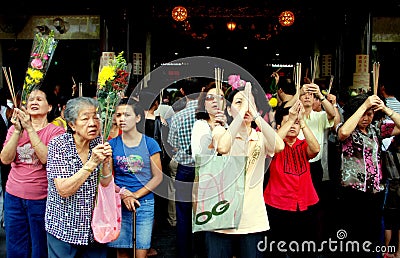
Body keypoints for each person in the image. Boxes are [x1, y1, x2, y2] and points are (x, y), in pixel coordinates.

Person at [207, 82, 284, 257]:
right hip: (221, 217)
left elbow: (279, 146)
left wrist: (255, 115)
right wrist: (240, 114)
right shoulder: (219, 131)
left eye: (249, 102)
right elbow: (224, 147)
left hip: (252, 219)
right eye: (238, 102)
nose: (246, 107)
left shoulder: (260, 137)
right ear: (228, 109)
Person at [0, 89, 65, 258]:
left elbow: (47, 159)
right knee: (15, 246)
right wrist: (16, 131)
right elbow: (5, 159)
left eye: (39, 99)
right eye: (30, 100)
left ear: (49, 107)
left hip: (41, 197)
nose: (33, 102)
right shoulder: (14, 129)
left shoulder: (56, 132)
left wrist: (29, 129)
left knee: (40, 247)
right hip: (13, 196)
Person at [45, 97, 113, 258]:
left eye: (96, 117)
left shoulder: (99, 142)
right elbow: (63, 190)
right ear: (72, 124)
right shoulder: (59, 145)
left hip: (95, 228)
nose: (93, 123)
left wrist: (105, 164)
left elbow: (106, 183)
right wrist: (92, 163)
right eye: (85, 118)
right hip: (64, 227)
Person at [336, 93, 400, 257]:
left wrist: (385, 109)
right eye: (363, 113)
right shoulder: (347, 127)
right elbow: (342, 133)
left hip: (375, 190)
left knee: (372, 233)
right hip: (353, 191)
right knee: (353, 233)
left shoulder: (376, 129)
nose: (366, 118)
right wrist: (364, 105)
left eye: (370, 114)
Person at [107, 99, 163, 258]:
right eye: (118, 115)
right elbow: (108, 178)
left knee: (141, 250)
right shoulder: (111, 145)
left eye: (126, 115)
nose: (121, 119)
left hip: (144, 202)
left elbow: (158, 177)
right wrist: (123, 195)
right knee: (122, 251)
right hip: (119, 202)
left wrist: (135, 195)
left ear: (138, 118)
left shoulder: (150, 143)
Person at [264, 100, 320, 257]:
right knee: (276, 251)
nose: (294, 125)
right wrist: (291, 118)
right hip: (277, 205)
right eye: (290, 122)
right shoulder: (275, 144)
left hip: (305, 204)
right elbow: (272, 145)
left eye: (296, 123)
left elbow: (315, 149)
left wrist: (301, 121)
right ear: (281, 126)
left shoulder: (303, 145)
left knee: (304, 251)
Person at [167, 79, 200, 258]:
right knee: (204, 211)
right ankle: (204, 250)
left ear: (181, 91)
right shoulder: (208, 114)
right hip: (205, 169)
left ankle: (184, 252)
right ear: (202, 90)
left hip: (185, 167)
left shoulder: (178, 116)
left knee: (183, 212)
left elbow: (172, 144)